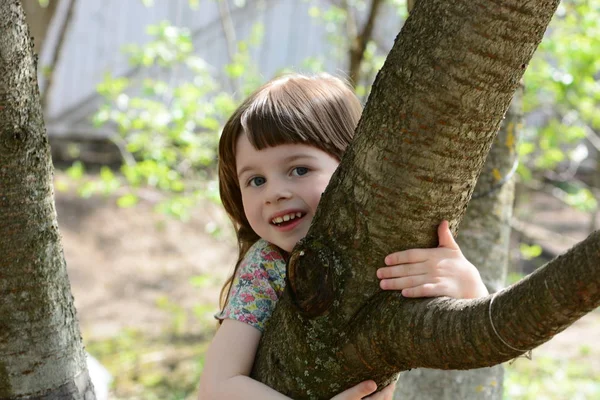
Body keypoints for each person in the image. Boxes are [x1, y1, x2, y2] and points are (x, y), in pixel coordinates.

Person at [198, 74, 488, 399]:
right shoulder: (267, 266)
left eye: (299, 170)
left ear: (354, 167)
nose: (274, 193)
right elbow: (217, 387)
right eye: (255, 180)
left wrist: (468, 286)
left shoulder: (384, 245)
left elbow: (478, 338)